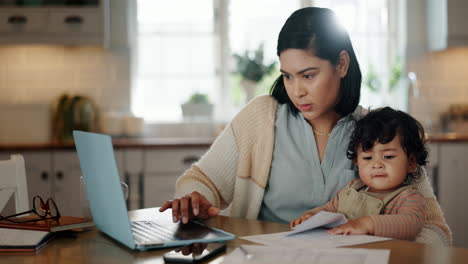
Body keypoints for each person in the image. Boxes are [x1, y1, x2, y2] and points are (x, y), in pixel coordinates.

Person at [159, 7, 452, 246]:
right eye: (287, 76)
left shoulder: (381, 132)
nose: (296, 91)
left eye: (308, 75)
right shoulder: (261, 118)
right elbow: (202, 181)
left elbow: (436, 232)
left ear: (341, 64)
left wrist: (384, 242)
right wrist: (195, 199)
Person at [290, 107, 427, 240]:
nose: (377, 164)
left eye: (388, 156)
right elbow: (330, 207)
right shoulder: (353, 188)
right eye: (368, 158)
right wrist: (312, 214)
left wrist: (367, 224)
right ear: (357, 162)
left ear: (411, 162)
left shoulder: (408, 197)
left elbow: (412, 225)